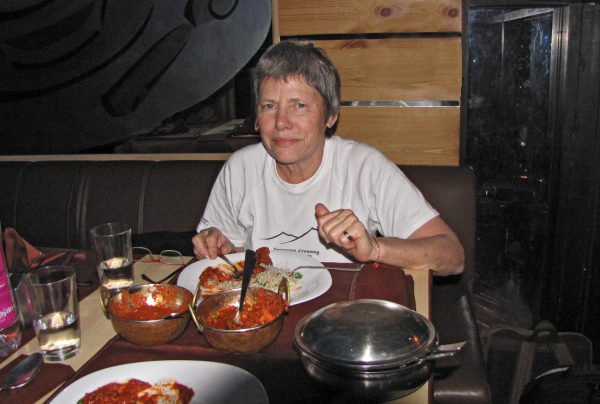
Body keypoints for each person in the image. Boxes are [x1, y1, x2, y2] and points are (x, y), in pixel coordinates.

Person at [192, 41, 464, 275]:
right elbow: (231, 255)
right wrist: (220, 248)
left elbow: (453, 256)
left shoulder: (364, 167)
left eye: (299, 105)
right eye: (269, 106)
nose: (281, 122)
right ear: (256, 119)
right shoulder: (240, 168)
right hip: (263, 311)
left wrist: (374, 248)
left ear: (330, 116)